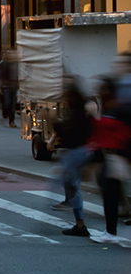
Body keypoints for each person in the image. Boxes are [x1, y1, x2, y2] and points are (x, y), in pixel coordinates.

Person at [87, 77, 131, 247]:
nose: (99, 91)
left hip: (120, 155)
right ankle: (110, 231)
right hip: (108, 156)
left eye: (102, 88)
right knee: (109, 194)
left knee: (111, 193)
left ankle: (110, 232)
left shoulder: (121, 109)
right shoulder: (103, 108)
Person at [49, 76, 92, 236]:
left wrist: (53, 121)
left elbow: (70, 134)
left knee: (72, 187)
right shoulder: (78, 111)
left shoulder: (79, 113)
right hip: (76, 153)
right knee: (71, 185)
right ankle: (79, 223)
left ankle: (80, 224)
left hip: (76, 153)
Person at [0, 52, 19, 127]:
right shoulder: (4, 65)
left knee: (12, 105)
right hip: (6, 86)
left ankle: (11, 121)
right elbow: (1, 76)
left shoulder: (16, 65)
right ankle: (6, 114)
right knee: (7, 103)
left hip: (13, 87)